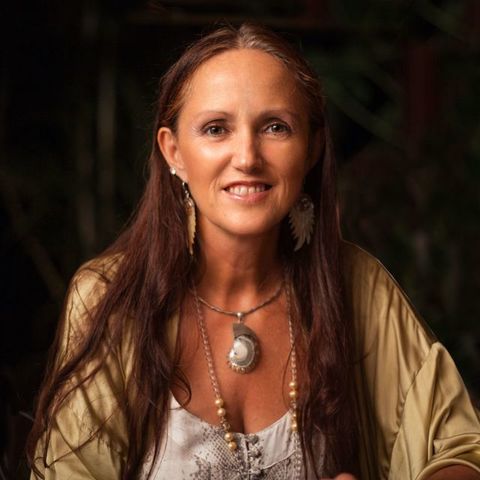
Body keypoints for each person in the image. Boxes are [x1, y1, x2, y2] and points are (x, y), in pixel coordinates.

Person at [27, 23, 480, 480]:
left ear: (312, 148)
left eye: (275, 127)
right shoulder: (111, 296)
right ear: (173, 152)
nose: (246, 156)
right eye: (216, 129)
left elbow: (461, 449)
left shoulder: (355, 285)